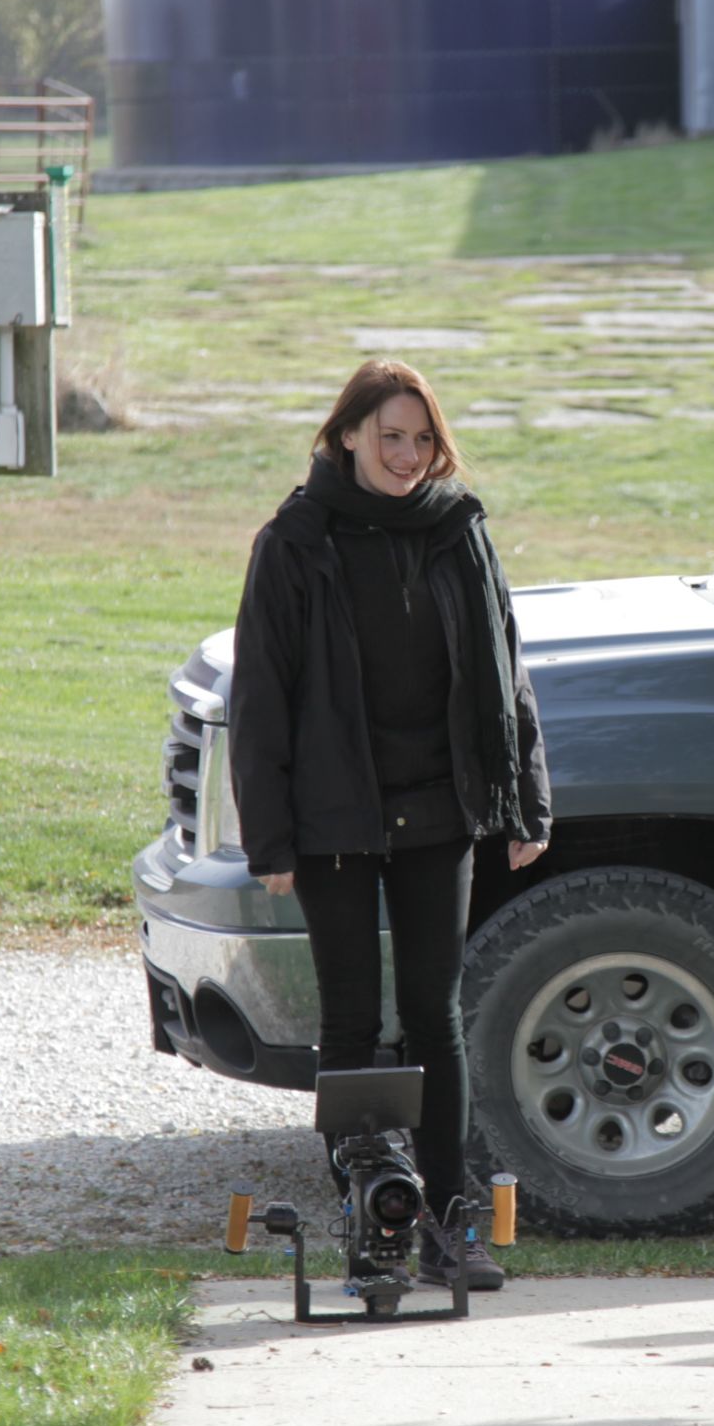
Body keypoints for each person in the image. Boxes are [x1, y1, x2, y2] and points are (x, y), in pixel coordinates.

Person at [229, 359, 553, 1291]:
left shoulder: (458, 530)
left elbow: (508, 666)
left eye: (420, 438)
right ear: (346, 437)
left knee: (434, 1014)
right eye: (389, 436)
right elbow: (262, 696)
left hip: (439, 810)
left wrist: (526, 799)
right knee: (351, 1021)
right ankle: (370, 1217)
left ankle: (450, 1220)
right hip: (337, 814)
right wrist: (272, 839)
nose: (408, 455)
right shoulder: (296, 540)